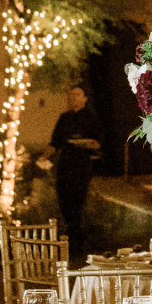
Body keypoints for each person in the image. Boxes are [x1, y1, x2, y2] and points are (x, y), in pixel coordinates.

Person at [49, 85, 103, 264]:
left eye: (77, 94)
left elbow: (97, 143)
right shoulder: (64, 118)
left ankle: (76, 243)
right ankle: (72, 236)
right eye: (71, 95)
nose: (73, 97)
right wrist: (43, 156)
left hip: (81, 165)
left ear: (85, 98)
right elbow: (55, 142)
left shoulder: (91, 118)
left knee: (77, 202)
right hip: (65, 165)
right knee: (64, 201)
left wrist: (87, 144)